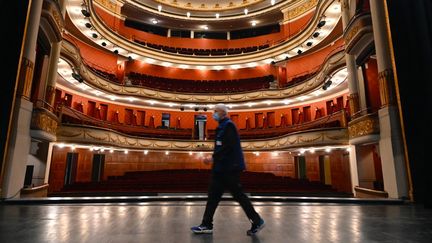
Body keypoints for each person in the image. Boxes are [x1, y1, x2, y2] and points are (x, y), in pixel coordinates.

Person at [191, 104, 265, 236]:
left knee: (238, 196)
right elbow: (222, 147)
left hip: (230, 169)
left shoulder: (229, 126)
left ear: (223, 113)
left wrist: (213, 158)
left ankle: (257, 220)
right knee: (213, 197)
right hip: (221, 169)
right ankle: (206, 224)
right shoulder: (221, 127)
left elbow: (227, 147)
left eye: (216, 111)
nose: (213, 113)